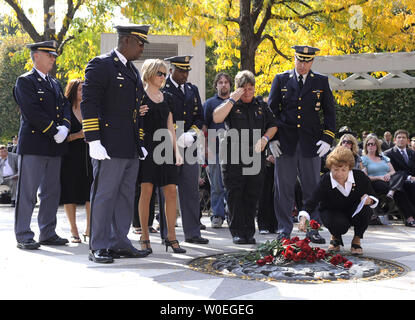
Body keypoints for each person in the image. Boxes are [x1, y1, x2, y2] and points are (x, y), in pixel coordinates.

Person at [81, 24, 151, 263]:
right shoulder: (101, 65)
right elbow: (88, 103)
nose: (142, 49)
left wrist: (139, 141)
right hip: (108, 145)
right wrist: (93, 139)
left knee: (124, 196)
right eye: (140, 44)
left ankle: (119, 241)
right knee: (104, 194)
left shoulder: (132, 71)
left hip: (129, 146)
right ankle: (98, 245)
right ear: (127, 41)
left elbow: (137, 111)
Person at [268, 45, 336, 243]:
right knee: (283, 188)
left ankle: (312, 227)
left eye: (307, 61)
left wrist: (327, 138)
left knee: (312, 187)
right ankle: (284, 229)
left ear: (312, 62)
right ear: (294, 59)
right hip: (285, 141)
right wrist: (272, 138)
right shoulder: (281, 79)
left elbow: (329, 111)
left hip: (311, 142)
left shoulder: (321, 81)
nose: (303, 65)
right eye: (300, 60)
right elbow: (272, 112)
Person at [13, 40, 70, 250]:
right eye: (50, 55)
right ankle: (24, 234)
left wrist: (65, 127)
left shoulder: (54, 83)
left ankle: (47, 231)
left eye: (54, 56)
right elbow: (32, 111)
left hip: (54, 147)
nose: (54, 59)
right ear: (36, 55)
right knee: (28, 192)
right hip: (35, 144)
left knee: (51, 192)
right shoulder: (25, 81)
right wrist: (54, 130)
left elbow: (64, 106)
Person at [213, 70, 278, 244]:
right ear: (237, 89)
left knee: (252, 194)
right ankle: (237, 232)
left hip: (255, 156)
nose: (248, 92)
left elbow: (273, 125)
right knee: (235, 194)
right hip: (233, 156)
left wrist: (265, 139)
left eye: (251, 88)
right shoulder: (230, 104)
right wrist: (233, 98)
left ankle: (249, 232)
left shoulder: (260, 106)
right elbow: (217, 117)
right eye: (244, 88)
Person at [138, 58, 186, 254]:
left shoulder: (167, 97)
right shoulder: (138, 97)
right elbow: (132, 122)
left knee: (171, 192)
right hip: (147, 149)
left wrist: (177, 152)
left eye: (165, 74)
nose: (163, 77)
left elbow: (170, 126)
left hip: (165, 148)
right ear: (149, 73)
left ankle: (171, 237)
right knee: (147, 192)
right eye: (160, 73)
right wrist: (136, 114)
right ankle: (144, 236)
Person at [298, 146, 379, 255]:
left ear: (349, 168)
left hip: (354, 210)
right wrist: (303, 219)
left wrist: (370, 200)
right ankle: (335, 237)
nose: (339, 174)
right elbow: (312, 202)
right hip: (332, 212)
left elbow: (373, 196)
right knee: (337, 224)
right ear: (330, 167)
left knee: (366, 211)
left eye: (343, 170)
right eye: (335, 169)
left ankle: (357, 239)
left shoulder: (360, 177)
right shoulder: (326, 180)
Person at [163, 55, 209, 244]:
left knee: (190, 190)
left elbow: (200, 117)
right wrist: (176, 133)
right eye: (181, 71)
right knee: (167, 191)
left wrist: (192, 133)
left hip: (189, 145)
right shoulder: (163, 88)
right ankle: (168, 234)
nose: (185, 74)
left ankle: (192, 232)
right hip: (166, 145)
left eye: (187, 71)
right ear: (172, 70)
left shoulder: (192, 89)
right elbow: (162, 116)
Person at [60, 79, 93, 243]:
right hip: (70, 157)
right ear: (73, 91)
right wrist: (77, 135)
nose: (83, 92)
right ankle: (74, 230)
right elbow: (59, 138)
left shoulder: (89, 108)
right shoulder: (64, 109)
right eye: (81, 89)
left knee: (90, 192)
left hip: (88, 157)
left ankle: (89, 228)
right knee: (70, 193)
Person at [203, 72, 231, 228]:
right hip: (214, 148)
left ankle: (232, 214)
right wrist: (206, 147)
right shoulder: (209, 104)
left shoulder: (235, 102)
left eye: (226, 82)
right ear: (216, 85)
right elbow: (204, 127)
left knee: (233, 184)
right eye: (220, 82)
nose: (223, 84)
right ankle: (218, 215)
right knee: (217, 184)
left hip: (234, 148)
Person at [383, 129, 415, 227]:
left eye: (403, 137)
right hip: (396, 181)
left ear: (408, 140)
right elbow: (392, 171)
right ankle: (409, 217)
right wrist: (409, 177)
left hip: (412, 180)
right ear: (395, 140)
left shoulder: (412, 153)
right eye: (399, 137)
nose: (401, 139)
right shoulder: (388, 154)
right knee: (401, 188)